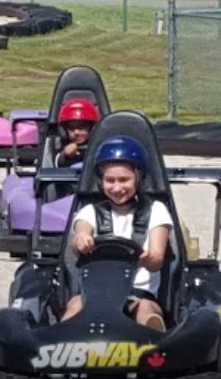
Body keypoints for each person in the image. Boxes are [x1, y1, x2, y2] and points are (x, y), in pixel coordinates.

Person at [60, 135, 173, 332]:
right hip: (94, 293)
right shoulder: (90, 211)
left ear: (138, 178)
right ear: (100, 181)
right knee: (75, 304)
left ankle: (153, 341)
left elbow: (156, 259)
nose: (117, 188)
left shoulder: (156, 210)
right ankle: (61, 340)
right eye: (110, 180)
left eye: (124, 180)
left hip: (138, 293)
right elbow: (80, 235)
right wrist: (82, 241)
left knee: (146, 308)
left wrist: (148, 260)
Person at [54, 98, 101, 167]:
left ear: (92, 128)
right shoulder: (61, 146)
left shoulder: (100, 147)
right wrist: (64, 154)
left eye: (81, 127)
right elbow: (55, 164)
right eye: (71, 128)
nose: (76, 132)